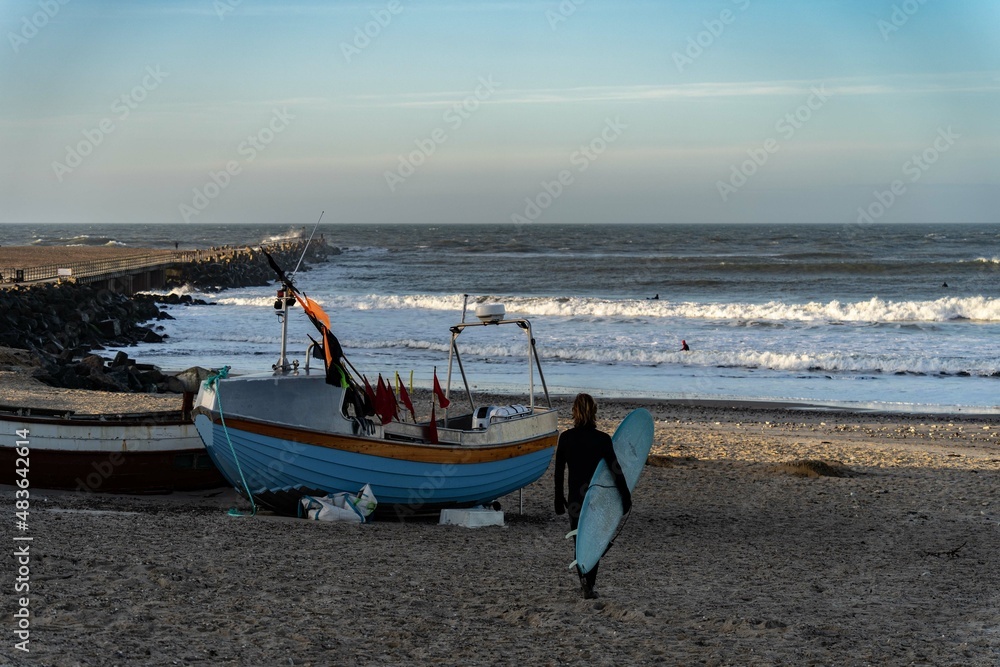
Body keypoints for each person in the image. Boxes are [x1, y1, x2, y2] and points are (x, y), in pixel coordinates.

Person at [554, 393, 632, 599]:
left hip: (575, 501)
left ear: (574, 412)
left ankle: (584, 582)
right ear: (594, 412)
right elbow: (616, 471)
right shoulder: (602, 440)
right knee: (595, 541)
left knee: (581, 541)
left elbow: (559, 471)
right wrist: (625, 497)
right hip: (596, 500)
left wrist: (557, 499)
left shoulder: (566, 438)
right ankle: (589, 584)